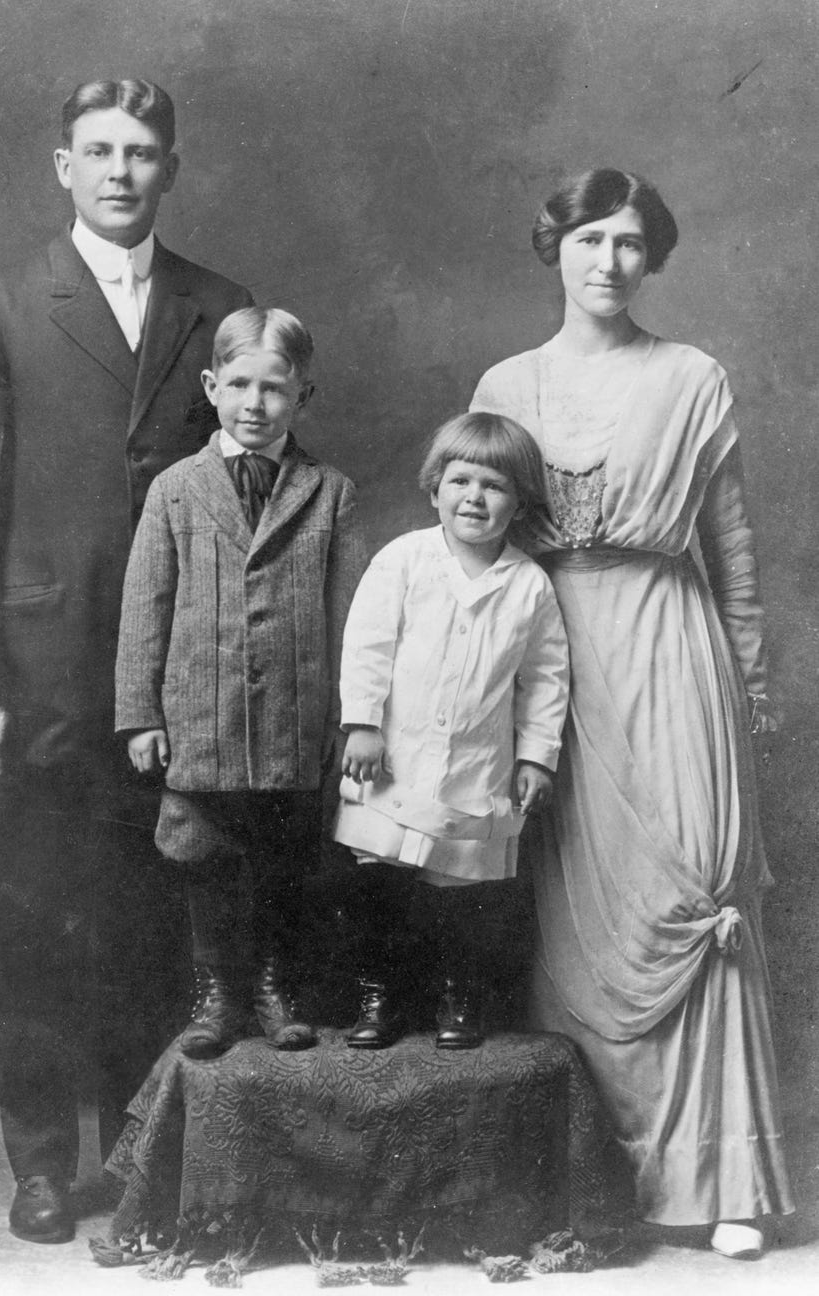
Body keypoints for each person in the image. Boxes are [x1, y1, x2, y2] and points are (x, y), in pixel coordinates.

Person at [0, 78, 252, 1243]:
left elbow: (242, 497)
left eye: (144, 152)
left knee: (155, 919)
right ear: (63, 166)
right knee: (39, 924)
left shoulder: (220, 305)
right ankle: (44, 1167)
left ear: (170, 169)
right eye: (99, 151)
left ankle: (138, 1153)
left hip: (169, 672)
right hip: (38, 673)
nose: (121, 171)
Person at [470, 168, 794, 1257]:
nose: (607, 261)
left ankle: (723, 1185)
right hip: (554, 646)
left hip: (668, 645)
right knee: (573, 908)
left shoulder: (691, 377)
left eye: (628, 243)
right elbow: (480, 549)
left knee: (688, 887)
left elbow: (731, 551)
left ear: (649, 259)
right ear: (551, 248)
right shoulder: (506, 384)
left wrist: (749, 689)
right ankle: (591, 1177)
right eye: (587, 239)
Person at [115, 306, 365, 1061]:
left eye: (276, 390)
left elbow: (353, 614)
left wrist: (350, 717)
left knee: (284, 857)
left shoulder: (330, 493)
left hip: (294, 715)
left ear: (304, 396)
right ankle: (219, 994)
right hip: (201, 715)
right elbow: (144, 606)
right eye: (241, 386)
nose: (256, 404)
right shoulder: (176, 490)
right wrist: (138, 716)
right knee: (203, 853)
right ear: (211, 386)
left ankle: (272, 985)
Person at [333, 412, 569, 1050]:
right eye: (460, 480)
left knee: (462, 897)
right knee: (380, 881)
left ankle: (457, 997)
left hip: (476, 768)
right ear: (434, 487)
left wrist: (537, 759)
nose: (474, 497)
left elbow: (546, 679)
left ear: (518, 502)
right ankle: (379, 996)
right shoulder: (404, 561)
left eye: (494, 486)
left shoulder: (528, 586)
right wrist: (362, 722)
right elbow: (368, 646)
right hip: (393, 762)